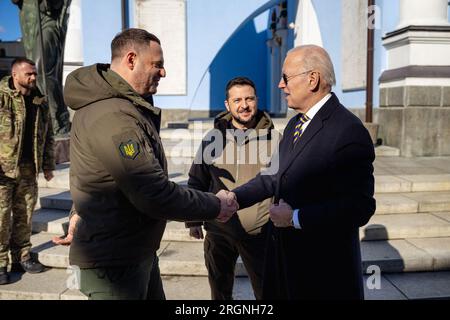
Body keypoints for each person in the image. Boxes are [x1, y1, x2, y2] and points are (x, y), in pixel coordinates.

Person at [63, 28, 237, 300]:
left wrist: (79, 208)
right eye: (158, 65)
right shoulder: (113, 116)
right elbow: (152, 192)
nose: (163, 73)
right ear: (131, 60)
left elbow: (99, 174)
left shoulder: (124, 107)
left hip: (133, 251)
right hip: (116, 264)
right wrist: (216, 205)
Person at [229, 45, 376, 299]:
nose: (279, 85)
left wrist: (295, 217)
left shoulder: (348, 130)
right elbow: (274, 176)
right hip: (285, 267)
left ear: (312, 79)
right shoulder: (297, 123)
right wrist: (234, 198)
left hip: (322, 276)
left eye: (286, 77)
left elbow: (359, 207)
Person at [186, 77, 279, 300]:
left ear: (257, 100)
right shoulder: (212, 139)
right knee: (219, 291)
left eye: (249, 98)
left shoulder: (275, 140)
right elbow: (197, 179)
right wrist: (193, 220)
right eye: (237, 100)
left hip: (260, 232)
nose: (244, 105)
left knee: (268, 292)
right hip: (219, 230)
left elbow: (282, 183)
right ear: (227, 105)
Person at [0, 57, 55, 285]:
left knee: (25, 216)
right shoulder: (2, 97)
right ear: (15, 75)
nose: (33, 78)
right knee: (1, 218)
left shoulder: (39, 100)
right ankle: (1, 262)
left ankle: (22, 257)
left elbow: (49, 134)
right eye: (28, 74)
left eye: (34, 74)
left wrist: (48, 164)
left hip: (28, 169)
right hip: (2, 170)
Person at [12, 0, 72, 137]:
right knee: (35, 71)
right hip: (29, 19)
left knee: (40, 70)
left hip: (48, 20)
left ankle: (55, 120)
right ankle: (46, 118)